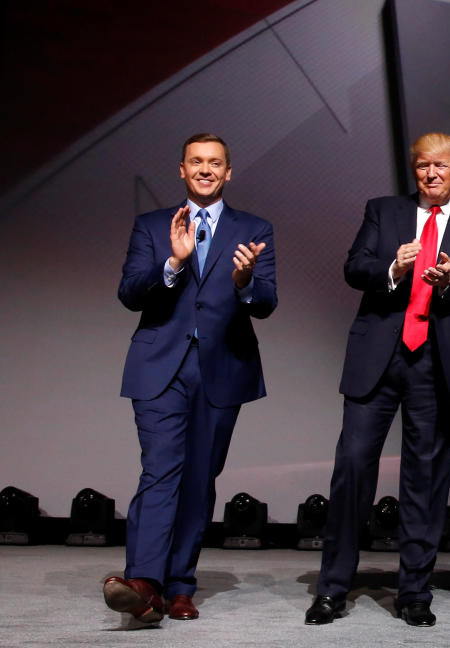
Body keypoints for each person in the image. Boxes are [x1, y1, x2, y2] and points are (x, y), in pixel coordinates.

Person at [307, 132, 450, 628]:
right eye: (421, 167)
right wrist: (393, 267)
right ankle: (332, 588)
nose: (430, 174)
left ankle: (415, 592)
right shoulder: (383, 210)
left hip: (436, 365)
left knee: (426, 481)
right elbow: (355, 267)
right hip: (379, 356)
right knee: (351, 468)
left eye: (439, 166)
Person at [104, 133, 276, 624]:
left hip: (222, 367)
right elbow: (130, 294)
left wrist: (244, 284)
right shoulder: (152, 226)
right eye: (196, 161)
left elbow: (266, 302)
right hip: (160, 365)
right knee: (160, 470)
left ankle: (179, 586)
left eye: (215, 163)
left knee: (199, 479)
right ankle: (143, 582)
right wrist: (173, 263)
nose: (205, 169)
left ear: (228, 172)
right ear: (181, 169)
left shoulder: (254, 227)